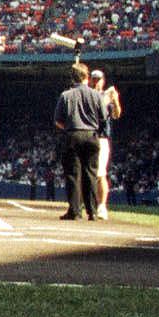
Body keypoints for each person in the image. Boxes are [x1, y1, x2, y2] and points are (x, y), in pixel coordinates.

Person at [53, 63, 107, 220]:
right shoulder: (96, 95)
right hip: (92, 135)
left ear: (72, 77)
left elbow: (58, 121)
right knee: (91, 174)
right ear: (87, 77)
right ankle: (92, 212)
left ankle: (75, 211)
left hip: (73, 134)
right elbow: (103, 118)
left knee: (73, 174)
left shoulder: (66, 95)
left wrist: (70, 128)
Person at [87, 66, 123, 220]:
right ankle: (89, 203)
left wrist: (114, 100)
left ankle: (102, 206)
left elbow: (116, 114)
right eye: (93, 79)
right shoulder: (87, 95)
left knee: (100, 173)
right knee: (87, 173)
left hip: (101, 137)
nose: (96, 82)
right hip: (87, 136)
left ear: (102, 81)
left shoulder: (106, 96)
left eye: (98, 80)